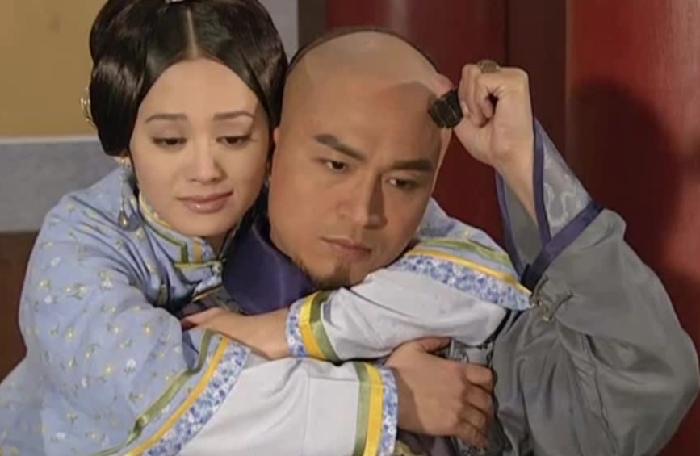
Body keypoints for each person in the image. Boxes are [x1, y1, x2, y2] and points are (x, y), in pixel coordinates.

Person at [0, 2, 533, 455]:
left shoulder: (283, 192)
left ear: (276, 139)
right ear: (124, 144)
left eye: (234, 138)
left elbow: (478, 282)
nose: (205, 170)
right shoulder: (79, 248)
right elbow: (187, 412)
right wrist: (393, 396)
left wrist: (286, 330)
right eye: (169, 141)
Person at [187, 28, 700, 456]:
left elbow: (647, 383)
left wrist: (521, 162)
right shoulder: (171, 323)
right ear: (270, 152)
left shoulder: (463, 331)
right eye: (337, 165)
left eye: (402, 182)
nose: (363, 212)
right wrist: (387, 399)